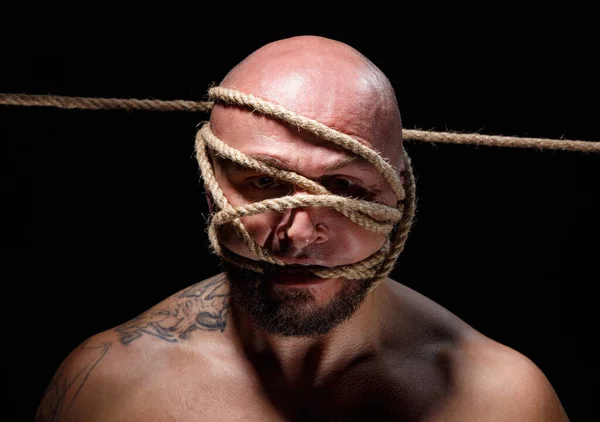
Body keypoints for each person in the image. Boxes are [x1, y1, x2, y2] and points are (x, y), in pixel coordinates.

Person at [35, 35, 569, 421]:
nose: (296, 235)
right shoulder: (108, 387)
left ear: (400, 194)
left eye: (345, 188)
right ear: (211, 187)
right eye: (264, 184)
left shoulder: (504, 401)